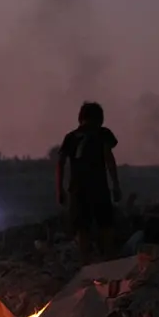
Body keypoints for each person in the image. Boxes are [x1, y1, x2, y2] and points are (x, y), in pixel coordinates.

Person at [56, 101, 122, 264]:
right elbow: (109, 159)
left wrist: (59, 190)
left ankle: (86, 267)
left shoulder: (71, 137)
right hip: (98, 188)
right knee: (105, 227)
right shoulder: (102, 133)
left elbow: (60, 164)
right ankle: (109, 265)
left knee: (82, 230)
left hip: (78, 190)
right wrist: (116, 185)